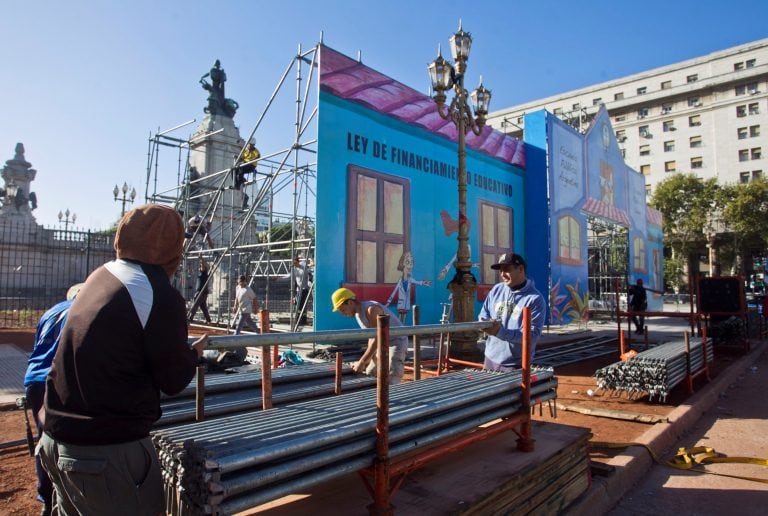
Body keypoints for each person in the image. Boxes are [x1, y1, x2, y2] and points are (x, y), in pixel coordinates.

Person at [38, 204, 208, 516]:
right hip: (105, 452)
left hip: (54, 436)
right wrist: (193, 354)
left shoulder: (100, 275)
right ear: (172, 246)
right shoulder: (157, 294)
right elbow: (172, 380)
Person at [23, 283, 83, 516]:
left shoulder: (50, 312)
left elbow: (38, 346)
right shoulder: (83, 310)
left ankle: (46, 500)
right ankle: (65, 498)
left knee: (44, 441)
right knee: (68, 441)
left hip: (35, 380)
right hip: (59, 381)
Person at [479, 253, 546, 371]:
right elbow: (484, 313)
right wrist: (484, 323)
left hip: (516, 364)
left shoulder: (534, 299)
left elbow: (532, 335)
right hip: (490, 357)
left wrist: (499, 331)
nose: (502, 274)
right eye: (500, 271)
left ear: (520, 269)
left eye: (506, 270)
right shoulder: (497, 289)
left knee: (512, 391)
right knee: (489, 390)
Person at [331, 287, 408, 384]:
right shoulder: (358, 314)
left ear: (350, 302)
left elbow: (377, 337)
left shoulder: (371, 309)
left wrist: (362, 361)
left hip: (396, 341)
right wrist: (366, 360)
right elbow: (372, 337)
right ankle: (374, 397)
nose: (342, 313)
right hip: (381, 343)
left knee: (392, 374)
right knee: (370, 372)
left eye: (342, 310)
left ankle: (392, 396)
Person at [386, 251, 431, 323]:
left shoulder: (410, 279)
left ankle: (402, 332)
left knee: (403, 320)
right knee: (399, 319)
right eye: (408, 262)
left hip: (406, 304)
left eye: (412, 262)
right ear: (403, 264)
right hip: (401, 304)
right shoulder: (400, 281)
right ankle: (399, 331)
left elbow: (418, 282)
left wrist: (424, 282)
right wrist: (388, 303)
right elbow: (394, 292)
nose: (410, 265)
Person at [232, 275, 259, 361]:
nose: (240, 283)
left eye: (242, 281)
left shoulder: (248, 290)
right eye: (239, 281)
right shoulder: (238, 287)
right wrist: (235, 306)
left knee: (239, 325)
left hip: (246, 309)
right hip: (241, 309)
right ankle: (259, 332)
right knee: (250, 322)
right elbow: (236, 298)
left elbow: (254, 298)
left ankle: (234, 338)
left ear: (245, 281)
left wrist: (255, 308)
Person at [189, 256, 212, 324]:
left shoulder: (204, 273)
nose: (200, 268)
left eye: (201, 267)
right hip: (201, 292)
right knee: (203, 307)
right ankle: (209, 320)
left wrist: (201, 258)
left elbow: (204, 264)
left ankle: (190, 318)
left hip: (202, 292)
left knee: (195, 304)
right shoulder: (201, 273)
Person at [291, 255, 313, 325]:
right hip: (298, 290)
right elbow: (289, 276)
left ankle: (303, 320)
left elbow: (311, 265)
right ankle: (298, 320)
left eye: (295, 263)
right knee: (298, 305)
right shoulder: (294, 269)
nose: (294, 265)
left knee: (302, 305)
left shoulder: (303, 265)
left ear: (297, 261)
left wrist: (311, 260)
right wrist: (279, 278)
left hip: (304, 289)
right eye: (293, 263)